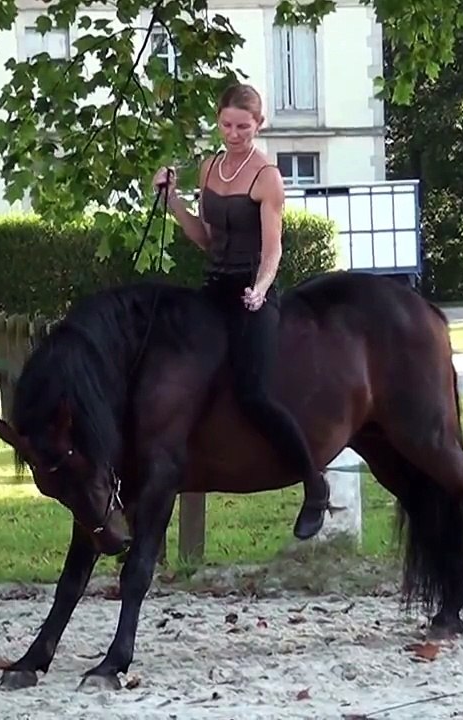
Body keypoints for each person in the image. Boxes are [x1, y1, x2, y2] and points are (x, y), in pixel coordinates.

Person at [150, 83, 329, 541]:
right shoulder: (208, 168)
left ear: (259, 125)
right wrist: (172, 200)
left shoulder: (267, 176)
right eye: (227, 125)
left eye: (244, 127)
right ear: (219, 120)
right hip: (213, 288)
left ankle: (314, 483)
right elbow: (206, 238)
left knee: (253, 393)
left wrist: (261, 289)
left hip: (254, 293)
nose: (234, 134)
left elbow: (274, 249)